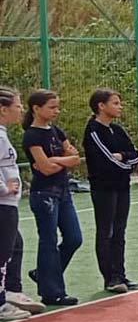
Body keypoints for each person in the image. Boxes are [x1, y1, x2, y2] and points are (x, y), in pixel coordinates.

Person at [23, 88, 84, 306]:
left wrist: (56, 161)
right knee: (48, 240)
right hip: (44, 194)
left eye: (57, 106)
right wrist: (60, 161)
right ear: (36, 109)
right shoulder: (32, 135)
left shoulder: (56, 131)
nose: (56, 111)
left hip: (63, 191)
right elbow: (45, 168)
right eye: (52, 107)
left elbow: (75, 157)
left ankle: (43, 273)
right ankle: (52, 291)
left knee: (74, 238)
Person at [83, 86, 138, 293]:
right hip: (103, 189)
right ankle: (110, 278)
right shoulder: (93, 131)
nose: (120, 107)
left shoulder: (118, 130)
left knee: (120, 231)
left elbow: (136, 154)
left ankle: (121, 274)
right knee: (106, 232)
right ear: (101, 106)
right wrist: (125, 164)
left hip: (122, 187)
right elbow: (107, 160)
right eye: (115, 103)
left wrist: (123, 156)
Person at [0, 86, 33, 322]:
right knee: (3, 255)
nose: (21, 110)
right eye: (18, 106)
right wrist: (4, 189)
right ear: (3, 109)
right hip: (3, 204)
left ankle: (8, 294)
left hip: (7, 204)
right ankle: (1, 303)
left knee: (13, 246)